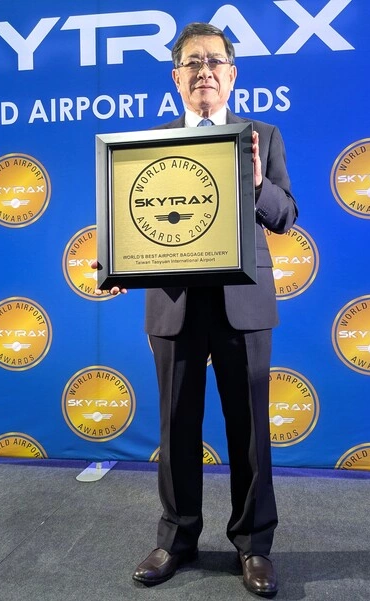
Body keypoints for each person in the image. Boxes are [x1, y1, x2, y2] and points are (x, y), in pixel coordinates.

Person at [100, 22, 297, 597]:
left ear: (232, 75)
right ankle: (177, 538)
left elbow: (286, 216)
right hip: (175, 305)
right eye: (192, 62)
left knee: (250, 429)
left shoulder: (263, 136)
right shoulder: (147, 144)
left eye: (214, 61)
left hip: (244, 305)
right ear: (176, 77)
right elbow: (135, 220)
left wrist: (257, 183)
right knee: (176, 425)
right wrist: (116, 264)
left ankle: (254, 545)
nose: (204, 71)